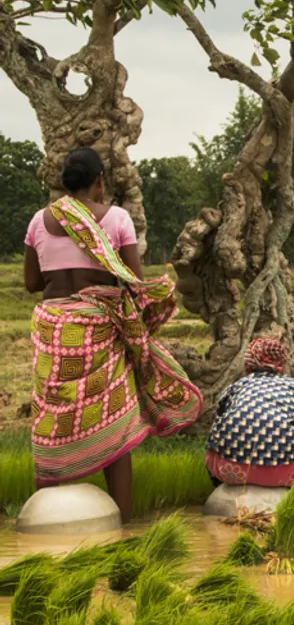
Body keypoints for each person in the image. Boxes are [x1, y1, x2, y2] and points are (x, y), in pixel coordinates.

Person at [24, 147, 202, 523]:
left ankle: (42, 518)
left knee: (52, 415)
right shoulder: (117, 217)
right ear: (100, 181)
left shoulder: (40, 221)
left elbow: (31, 282)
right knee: (114, 420)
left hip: (55, 330)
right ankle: (123, 522)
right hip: (99, 330)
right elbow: (132, 280)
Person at [206, 337, 294, 488]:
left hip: (229, 471)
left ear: (249, 362)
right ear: (282, 362)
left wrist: (217, 483)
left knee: (220, 429)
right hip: (285, 473)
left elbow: (214, 432)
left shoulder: (236, 387)